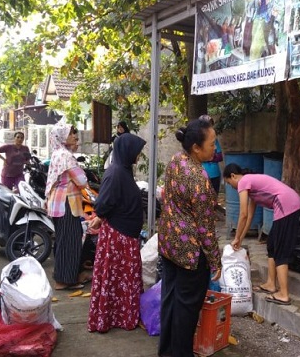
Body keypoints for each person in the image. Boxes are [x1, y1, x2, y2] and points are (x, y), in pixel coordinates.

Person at [158, 119, 221, 357]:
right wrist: (215, 261)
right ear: (196, 147)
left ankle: (166, 352)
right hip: (190, 254)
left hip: (169, 244)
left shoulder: (176, 161)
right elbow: (206, 229)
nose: (215, 148)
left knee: (170, 303)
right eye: (212, 143)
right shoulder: (200, 180)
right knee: (185, 313)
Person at [87, 133, 147, 333]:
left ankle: (121, 315)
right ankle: (110, 317)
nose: (138, 156)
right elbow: (104, 202)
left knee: (122, 278)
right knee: (116, 277)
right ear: (127, 151)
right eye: (137, 152)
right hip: (118, 236)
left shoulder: (123, 170)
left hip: (125, 234)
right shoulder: (115, 173)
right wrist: (99, 216)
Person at [223, 163, 300, 306]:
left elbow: (243, 214)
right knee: (272, 245)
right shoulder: (252, 187)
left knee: (280, 250)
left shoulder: (243, 182)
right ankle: (271, 284)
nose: (232, 187)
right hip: (288, 204)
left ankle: (284, 294)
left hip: (287, 205)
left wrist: (236, 238)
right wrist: (240, 239)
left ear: (233, 176)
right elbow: (249, 216)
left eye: (229, 183)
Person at [45, 123, 91, 290]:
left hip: (57, 204)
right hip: (66, 204)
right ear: (62, 136)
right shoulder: (66, 156)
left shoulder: (57, 154)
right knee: (70, 241)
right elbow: (82, 181)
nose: (74, 136)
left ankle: (62, 276)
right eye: (71, 134)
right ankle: (64, 280)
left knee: (63, 240)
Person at [199, 114, 223, 194]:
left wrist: (208, 157)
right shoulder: (196, 140)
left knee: (213, 200)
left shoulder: (214, 140)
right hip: (200, 174)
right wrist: (209, 157)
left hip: (215, 174)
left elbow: (220, 157)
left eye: (210, 125)